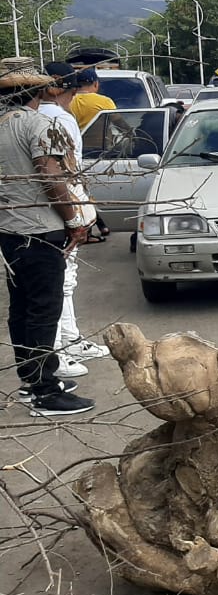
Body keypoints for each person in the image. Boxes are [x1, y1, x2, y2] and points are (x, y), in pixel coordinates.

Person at [0, 58, 95, 417]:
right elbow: (51, 177)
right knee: (44, 309)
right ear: (39, 89)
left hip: (9, 230)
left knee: (22, 309)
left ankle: (31, 379)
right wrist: (74, 220)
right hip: (41, 229)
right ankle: (44, 390)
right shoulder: (40, 123)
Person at [39, 63, 111, 374]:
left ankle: (69, 340)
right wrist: (74, 216)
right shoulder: (54, 118)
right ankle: (57, 352)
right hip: (57, 207)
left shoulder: (48, 115)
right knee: (59, 281)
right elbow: (60, 174)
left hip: (52, 206)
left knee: (65, 280)